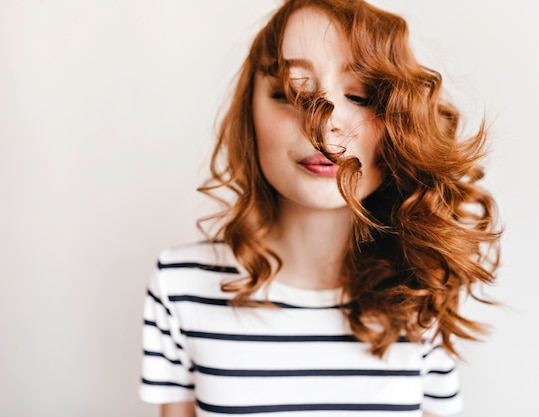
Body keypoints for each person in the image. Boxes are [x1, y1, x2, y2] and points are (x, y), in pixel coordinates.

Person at [140, 0, 501, 416]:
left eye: (361, 95)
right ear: (249, 115)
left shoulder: (420, 292)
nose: (325, 123)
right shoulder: (181, 286)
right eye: (292, 92)